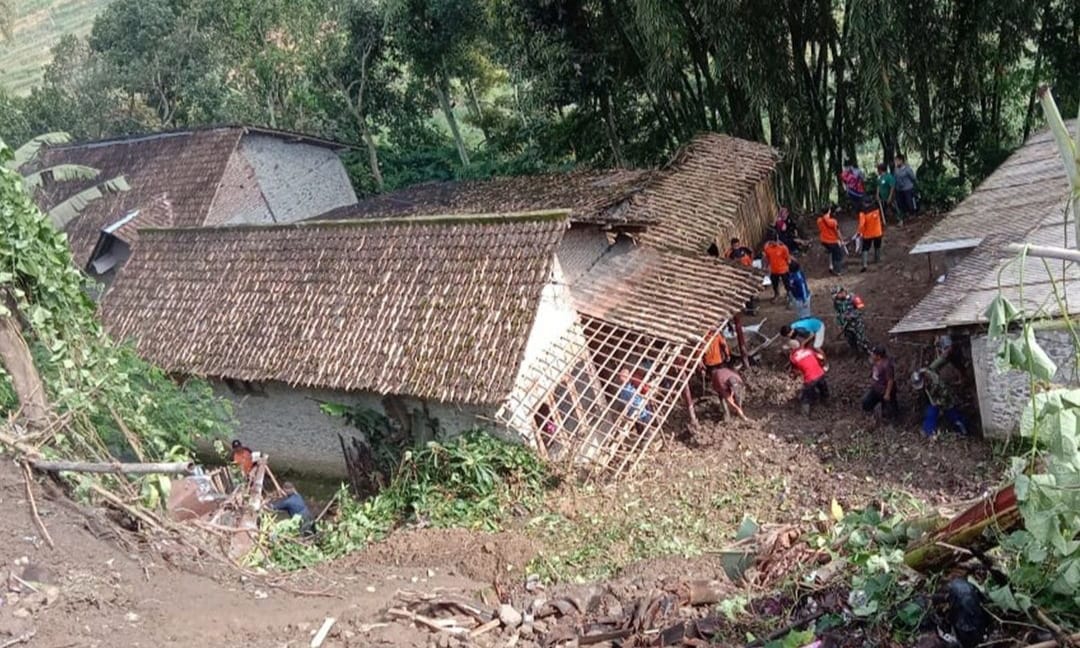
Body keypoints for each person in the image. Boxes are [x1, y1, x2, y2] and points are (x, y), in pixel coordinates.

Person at [911, 368, 969, 438]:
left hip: (946, 401)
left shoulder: (937, 382)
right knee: (931, 414)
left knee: (954, 416)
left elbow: (946, 395)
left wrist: (938, 403)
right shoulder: (923, 377)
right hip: (933, 400)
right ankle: (929, 432)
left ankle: (964, 430)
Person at [787, 339, 829, 416]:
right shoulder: (808, 351)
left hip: (810, 379)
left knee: (805, 397)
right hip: (821, 374)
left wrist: (794, 376)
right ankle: (827, 404)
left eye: (789, 349)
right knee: (823, 390)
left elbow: (796, 371)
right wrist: (822, 365)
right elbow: (820, 357)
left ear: (791, 349)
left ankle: (804, 415)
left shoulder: (793, 358)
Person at [862, 345, 898, 421]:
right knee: (866, 402)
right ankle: (871, 415)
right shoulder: (875, 361)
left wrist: (887, 393)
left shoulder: (886, 365)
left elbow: (890, 380)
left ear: (878, 356)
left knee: (889, 414)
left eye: (873, 354)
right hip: (876, 389)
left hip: (885, 391)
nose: (872, 355)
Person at [832, 286, 871, 354]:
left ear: (842, 292)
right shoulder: (836, 301)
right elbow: (838, 312)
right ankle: (856, 353)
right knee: (850, 340)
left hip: (856, 324)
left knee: (861, 339)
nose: (837, 297)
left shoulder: (854, 298)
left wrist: (852, 315)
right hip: (846, 325)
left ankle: (867, 352)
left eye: (838, 295)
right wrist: (839, 323)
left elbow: (862, 310)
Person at [856, 198, 885, 270]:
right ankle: (877, 260)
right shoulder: (877, 208)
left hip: (867, 234)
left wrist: (859, 232)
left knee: (865, 248)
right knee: (877, 246)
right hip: (878, 232)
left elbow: (862, 224)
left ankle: (864, 264)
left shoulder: (863, 212)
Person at [762, 234, 791, 301]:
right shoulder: (768, 248)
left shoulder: (783, 248)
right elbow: (767, 258)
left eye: (775, 241)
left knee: (787, 283)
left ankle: (789, 295)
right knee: (775, 284)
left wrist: (789, 266)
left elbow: (787, 258)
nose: (774, 243)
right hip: (774, 270)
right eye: (773, 242)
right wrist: (765, 267)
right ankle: (776, 294)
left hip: (783, 269)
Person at [817, 207, 845, 275]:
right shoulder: (833, 221)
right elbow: (838, 232)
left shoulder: (819, 220)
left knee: (831, 252)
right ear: (829, 211)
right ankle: (837, 271)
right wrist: (841, 240)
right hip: (832, 241)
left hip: (824, 241)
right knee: (838, 255)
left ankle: (831, 267)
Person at [894, 154, 917, 223]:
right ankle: (904, 215)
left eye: (897, 161)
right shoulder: (896, 169)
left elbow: (913, 178)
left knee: (909, 201)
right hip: (899, 189)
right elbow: (895, 178)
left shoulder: (907, 169)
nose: (896, 162)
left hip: (907, 188)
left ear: (901, 161)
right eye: (896, 161)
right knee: (901, 202)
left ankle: (912, 213)